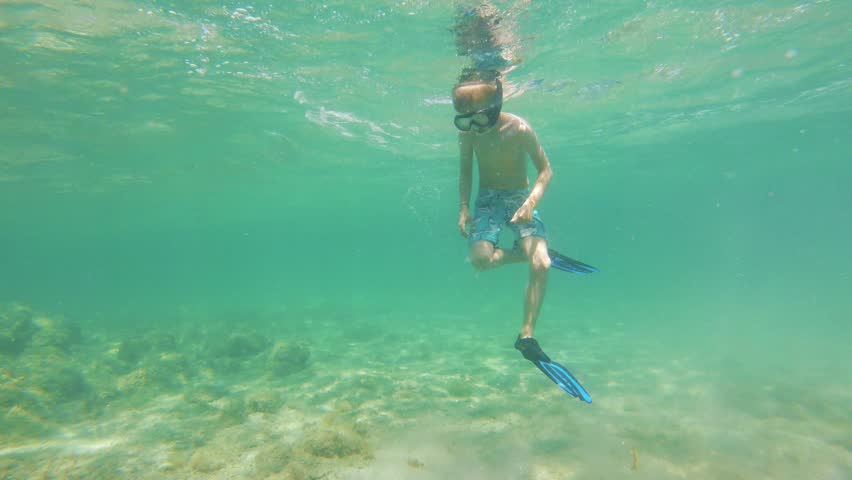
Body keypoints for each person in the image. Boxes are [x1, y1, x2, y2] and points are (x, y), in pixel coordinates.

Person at [452, 74, 597, 403]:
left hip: (519, 198)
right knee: (479, 261)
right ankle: (530, 251)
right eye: (466, 120)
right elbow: (465, 171)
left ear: (495, 107)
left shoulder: (519, 129)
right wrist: (463, 208)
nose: (475, 127)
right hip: (487, 200)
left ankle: (527, 335)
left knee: (542, 263)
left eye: (480, 118)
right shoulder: (468, 134)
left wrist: (531, 203)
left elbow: (545, 169)